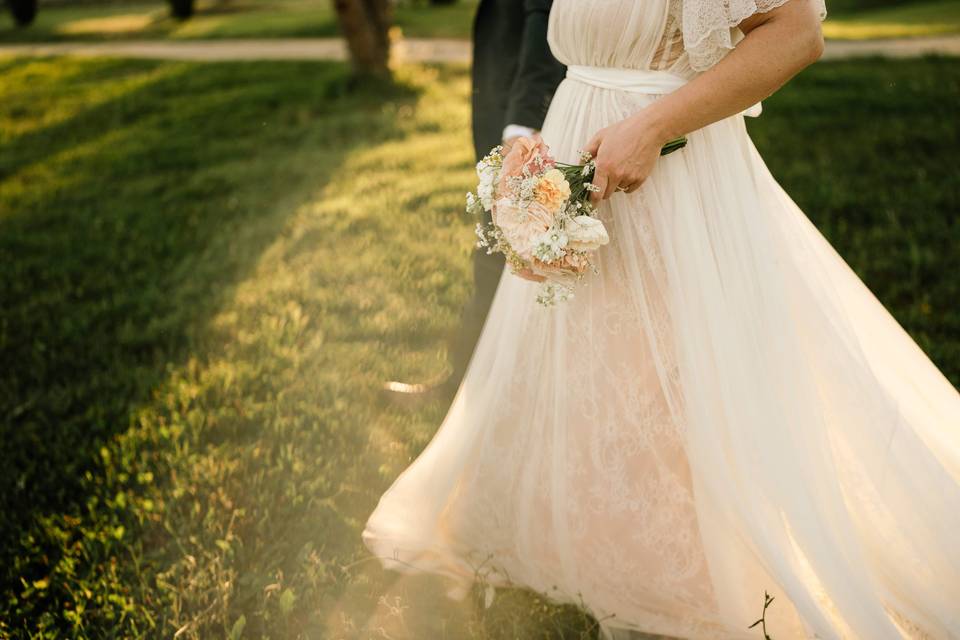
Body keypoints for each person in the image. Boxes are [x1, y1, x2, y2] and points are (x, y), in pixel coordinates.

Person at [365, 0, 960, 638]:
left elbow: (797, 34)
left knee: (666, 376)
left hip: (667, 179)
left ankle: (681, 574)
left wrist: (652, 127)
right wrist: (533, 144)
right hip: (578, 149)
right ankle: (588, 545)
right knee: (590, 373)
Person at [384, 0, 566, 398]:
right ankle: (478, 384)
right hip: (506, 92)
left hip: (529, 115)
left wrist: (520, 128)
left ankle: (471, 390)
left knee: (504, 254)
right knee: (505, 255)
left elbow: (547, 18)